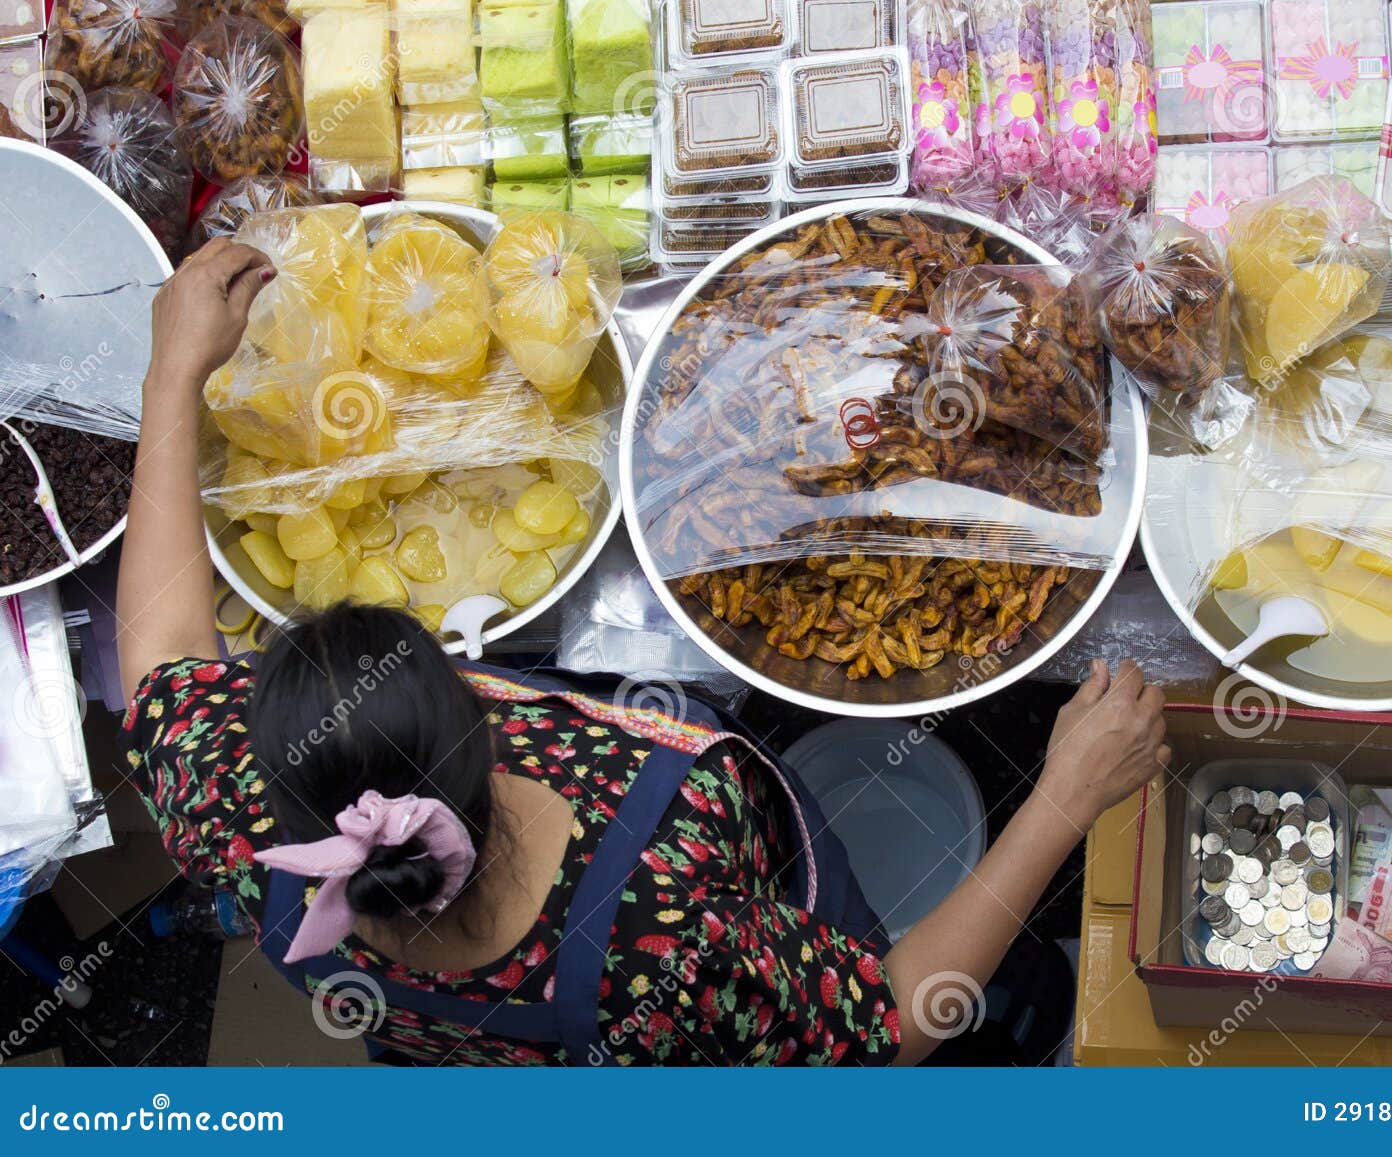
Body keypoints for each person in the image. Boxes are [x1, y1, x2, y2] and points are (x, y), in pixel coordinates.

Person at [116, 238, 1171, 1066]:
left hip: (459, 1033)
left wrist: (173, 374)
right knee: (938, 1017)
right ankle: (1015, 1022)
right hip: (746, 954)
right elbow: (884, 1025)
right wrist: (1063, 798)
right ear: (479, 720)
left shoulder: (243, 804)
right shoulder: (668, 940)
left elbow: (161, 653)